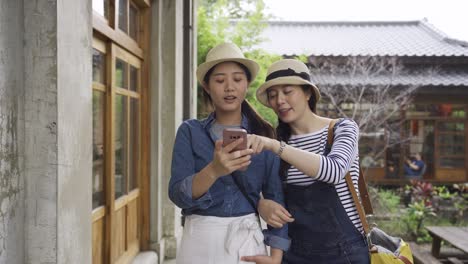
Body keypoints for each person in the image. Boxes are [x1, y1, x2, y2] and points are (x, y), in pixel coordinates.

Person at [168, 43, 290, 264]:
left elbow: (275, 199)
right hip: (199, 243)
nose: (229, 87)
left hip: (247, 243)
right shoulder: (190, 131)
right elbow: (178, 195)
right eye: (220, 80)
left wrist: (276, 256)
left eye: (237, 79)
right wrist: (214, 170)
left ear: (247, 83)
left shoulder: (264, 136)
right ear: (206, 86)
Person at [241, 59, 370, 263]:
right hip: (295, 254)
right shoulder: (275, 144)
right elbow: (260, 190)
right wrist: (262, 204)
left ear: (308, 93)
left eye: (287, 91)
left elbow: (334, 171)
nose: (279, 100)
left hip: (345, 253)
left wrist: (277, 146)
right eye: (273, 95)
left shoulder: (342, 129)